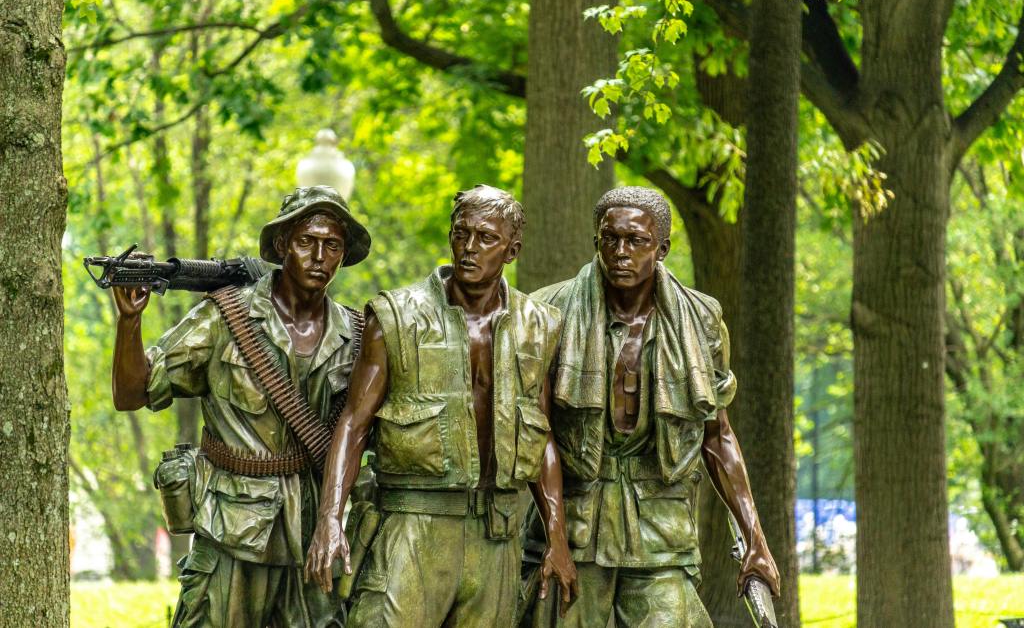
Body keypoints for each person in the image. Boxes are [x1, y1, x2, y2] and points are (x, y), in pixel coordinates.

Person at [305, 185, 578, 628]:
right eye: (461, 233)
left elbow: (540, 433)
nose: (470, 247)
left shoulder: (539, 326)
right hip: (412, 524)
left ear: (512, 250)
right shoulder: (396, 317)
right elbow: (354, 424)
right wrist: (330, 519)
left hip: (495, 535)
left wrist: (556, 535)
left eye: (486, 238)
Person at [111, 186, 371, 627]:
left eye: (332, 246)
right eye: (307, 241)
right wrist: (129, 322)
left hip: (315, 534)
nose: (319, 257)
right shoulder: (225, 317)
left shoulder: (358, 334)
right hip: (232, 530)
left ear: (343, 255)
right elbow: (132, 393)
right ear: (282, 245)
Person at [520, 186, 780, 627]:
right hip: (575, 522)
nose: (621, 252)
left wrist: (755, 536)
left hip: (661, 526)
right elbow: (537, 430)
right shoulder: (549, 312)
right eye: (610, 239)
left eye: (636, 241)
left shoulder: (701, 319)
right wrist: (555, 536)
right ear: (596, 242)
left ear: (661, 249)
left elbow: (717, 434)